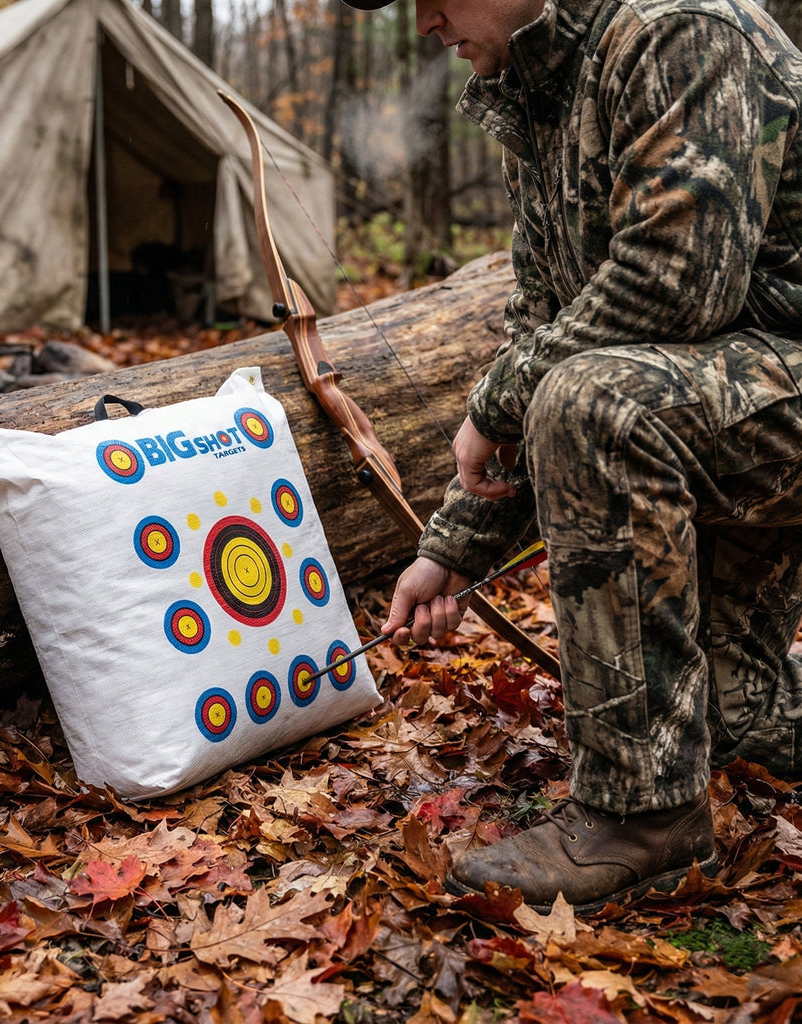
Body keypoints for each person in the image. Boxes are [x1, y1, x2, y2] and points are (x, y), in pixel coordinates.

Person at [340, 0, 802, 914]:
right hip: (739, 399)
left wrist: (496, 399)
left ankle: (643, 818)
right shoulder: (537, 89)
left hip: (766, 380)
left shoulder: (677, 31)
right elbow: (545, 323)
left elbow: (676, 287)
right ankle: (745, 715)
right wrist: (450, 552)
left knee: (593, 404)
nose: (425, 21)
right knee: (735, 722)